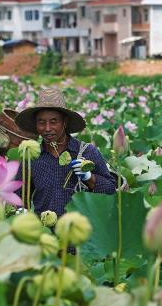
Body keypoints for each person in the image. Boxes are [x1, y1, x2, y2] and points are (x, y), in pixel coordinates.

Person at [15, 87, 117, 216]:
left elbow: (110, 190)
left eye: (54, 122)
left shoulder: (87, 152)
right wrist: (20, 212)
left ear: (65, 122)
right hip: (44, 226)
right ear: (36, 124)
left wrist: (89, 177)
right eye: (41, 122)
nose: (47, 128)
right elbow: (18, 198)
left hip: (81, 226)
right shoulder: (31, 157)